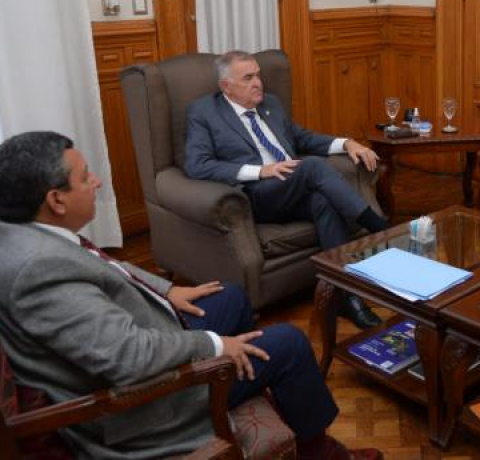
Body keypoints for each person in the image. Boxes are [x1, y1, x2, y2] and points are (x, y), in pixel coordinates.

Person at [0, 131, 382, 460]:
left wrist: (167, 289)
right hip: (144, 404)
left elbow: (99, 263)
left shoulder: (27, 234)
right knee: (289, 343)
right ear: (56, 200)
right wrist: (214, 346)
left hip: (145, 334)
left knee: (232, 296)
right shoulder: (39, 269)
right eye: (85, 177)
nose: (97, 182)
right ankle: (320, 451)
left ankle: (250, 384)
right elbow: (128, 357)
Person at [184, 50, 386, 330]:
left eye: (258, 75)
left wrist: (347, 143)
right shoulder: (205, 112)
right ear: (226, 86)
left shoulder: (270, 104)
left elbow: (304, 138)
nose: (258, 83)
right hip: (256, 195)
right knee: (311, 166)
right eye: (248, 78)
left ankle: (347, 297)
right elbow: (198, 165)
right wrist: (260, 171)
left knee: (323, 202)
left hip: (292, 188)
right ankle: (381, 229)